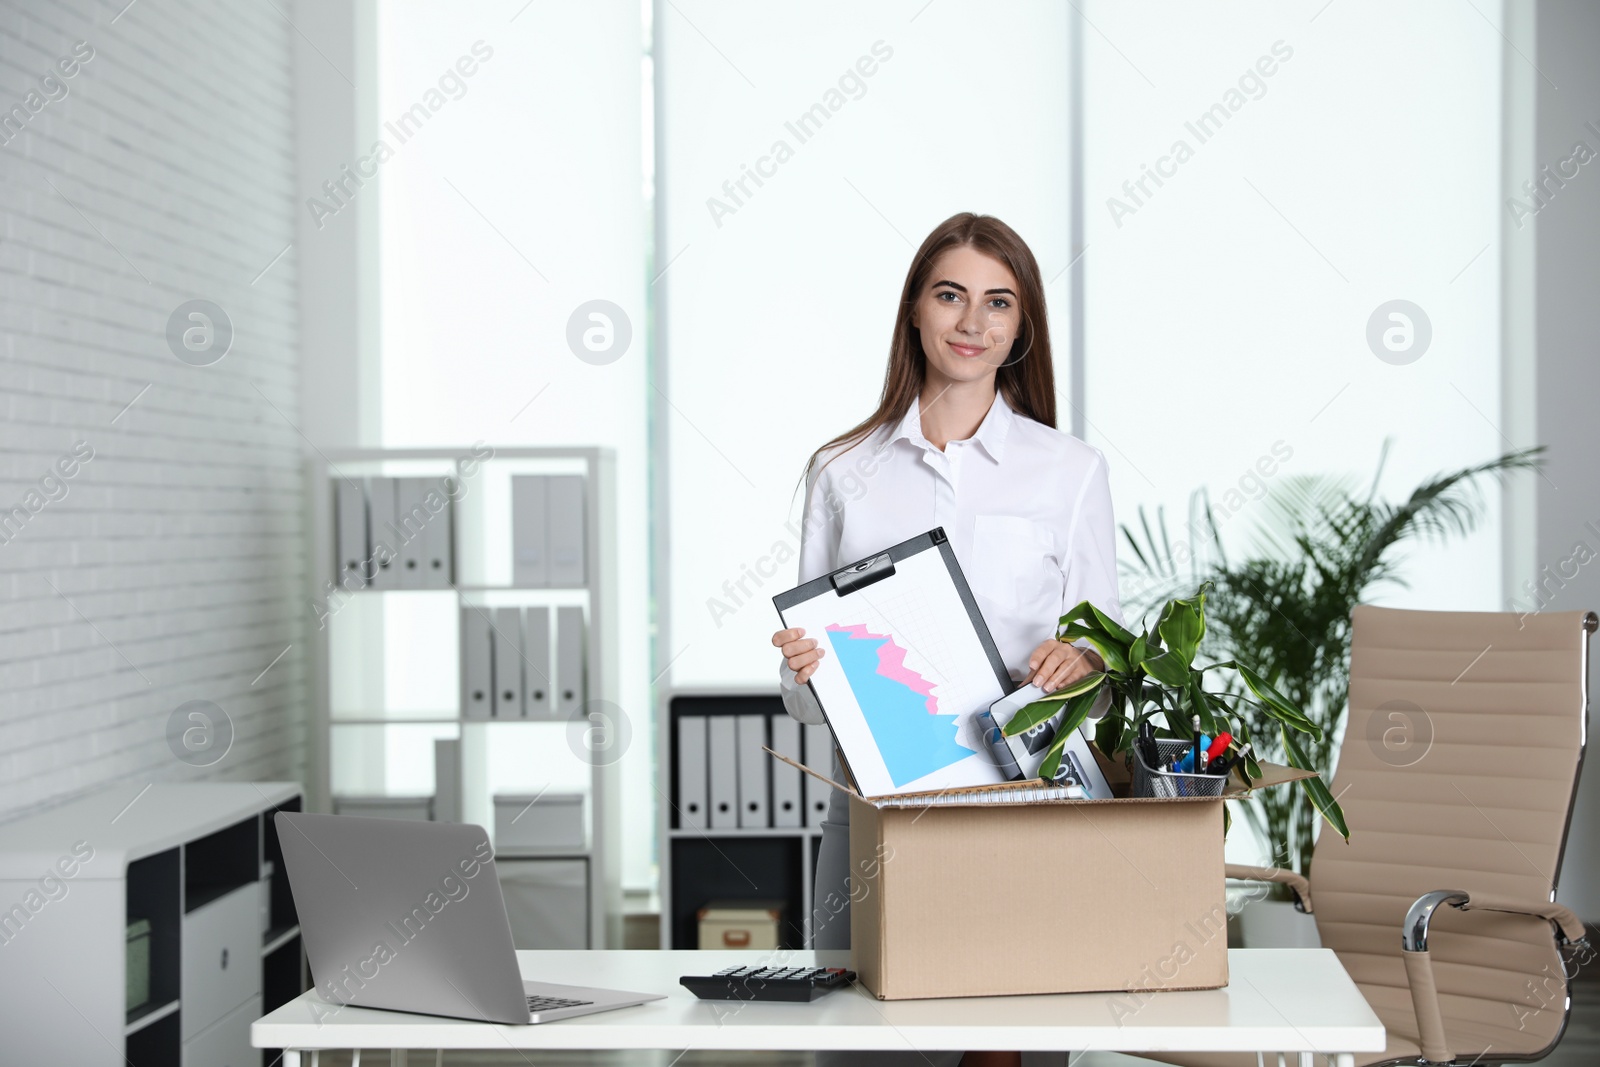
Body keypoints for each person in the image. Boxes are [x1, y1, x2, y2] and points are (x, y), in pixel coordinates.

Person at [770, 212, 1123, 1067]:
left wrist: (1083, 665)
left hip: (1025, 809)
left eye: (998, 302)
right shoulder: (842, 469)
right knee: (863, 1044)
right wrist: (806, 667)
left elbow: (1107, 664)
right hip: (879, 808)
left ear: (1021, 326)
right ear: (916, 313)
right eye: (951, 295)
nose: (973, 322)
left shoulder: (1070, 471)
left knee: (1015, 1047)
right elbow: (799, 688)